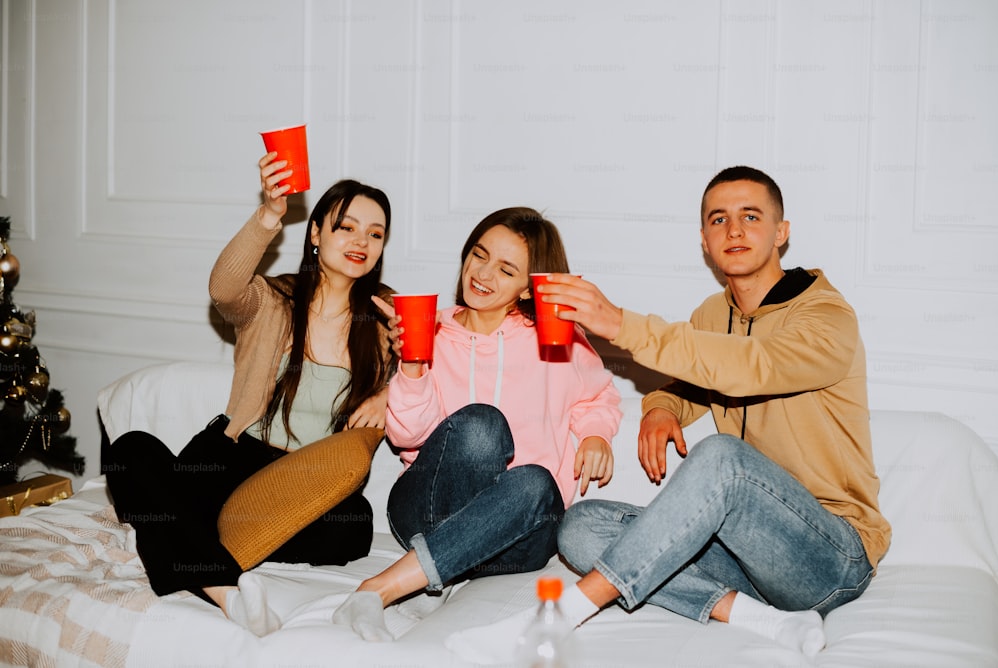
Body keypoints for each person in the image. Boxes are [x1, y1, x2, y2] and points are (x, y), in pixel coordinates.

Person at [445, 166, 891, 662]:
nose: (734, 230)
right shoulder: (712, 314)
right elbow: (692, 379)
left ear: (781, 232)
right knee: (581, 527)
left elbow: (751, 367)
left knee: (724, 455)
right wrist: (660, 407)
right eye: (718, 219)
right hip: (746, 558)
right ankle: (762, 620)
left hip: (830, 555)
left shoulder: (826, 316)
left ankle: (554, 618)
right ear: (704, 240)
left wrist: (617, 323)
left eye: (751, 216)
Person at [103, 152, 395, 636]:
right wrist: (269, 214)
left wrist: (390, 392)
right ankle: (225, 590)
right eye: (346, 226)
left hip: (306, 481)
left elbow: (438, 380)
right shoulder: (272, 301)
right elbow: (224, 286)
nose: (362, 241)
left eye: (376, 233)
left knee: (355, 523)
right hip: (233, 458)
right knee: (130, 450)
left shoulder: (384, 321)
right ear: (316, 233)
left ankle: (183, 535)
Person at [330, 207, 623, 641]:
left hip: (516, 533)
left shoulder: (557, 339)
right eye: (478, 254)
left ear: (528, 287)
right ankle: (417, 574)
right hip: (427, 510)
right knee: (482, 426)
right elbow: (406, 437)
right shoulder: (432, 332)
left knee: (537, 483)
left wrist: (597, 433)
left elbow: (599, 395)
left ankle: (383, 587)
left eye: (506, 269)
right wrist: (412, 363)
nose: (482, 273)